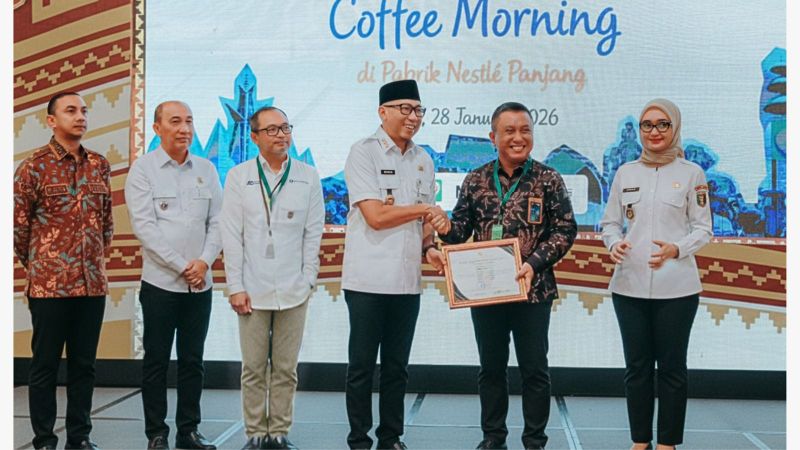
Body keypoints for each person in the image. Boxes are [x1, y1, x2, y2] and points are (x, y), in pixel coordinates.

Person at [428, 102, 577, 450]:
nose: (518, 137)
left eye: (525, 130)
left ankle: (534, 441)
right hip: (485, 292)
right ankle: (493, 438)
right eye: (509, 131)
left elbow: (565, 229)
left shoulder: (548, 179)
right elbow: (460, 231)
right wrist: (445, 228)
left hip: (533, 289)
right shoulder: (476, 179)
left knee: (535, 370)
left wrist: (534, 262)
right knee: (491, 369)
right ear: (493, 137)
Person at [600, 98, 713, 450]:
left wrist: (676, 248)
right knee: (636, 368)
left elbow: (703, 229)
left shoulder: (691, 174)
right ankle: (640, 441)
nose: (654, 132)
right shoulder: (626, 172)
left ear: (674, 127)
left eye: (663, 124)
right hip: (628, 286)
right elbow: (610, 223)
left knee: (672, 369)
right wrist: (613, 243)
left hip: (677, 287)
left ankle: (667, 443)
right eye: (647, 125)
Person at [341, 79, 445, 450]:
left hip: (406, 280)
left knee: (397, 367)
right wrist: (425, 209)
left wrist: (431, 248)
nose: (413, 117)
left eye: (418, 110)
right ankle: (359, 439)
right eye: (405, 109)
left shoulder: (423, 160)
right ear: (382, 112)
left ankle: (391, 437)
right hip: (367, 280)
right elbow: (375, 217)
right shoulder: (363, 152)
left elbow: (424, 227)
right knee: (361, 366)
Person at [220, 106, 324, 450]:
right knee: (253, 367)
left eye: (285, 128)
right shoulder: (239, 176)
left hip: (294, 289)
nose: (282, 135)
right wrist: (235, 286)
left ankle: (278, 432)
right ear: (254, 137)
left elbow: (313, 233)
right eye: (272, 130)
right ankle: (255, 433)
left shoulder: (308, 176)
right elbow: (231, 234)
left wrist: (309, 279)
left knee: (285, 367)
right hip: (252, 288)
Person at [14, 92, 113, 450]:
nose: (80, 116)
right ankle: (44, 439)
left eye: (84, 111)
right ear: (52, 121)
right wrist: (44, 265)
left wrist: (93, 261)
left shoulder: (99, 164)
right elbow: (18, 229)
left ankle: (80, 437)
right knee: (45, 366)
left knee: (84, 366)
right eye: (71, 111)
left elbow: (106, 224)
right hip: (50, 286)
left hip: (91, 285)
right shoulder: (34, 167)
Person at [125, 101, 223, 450]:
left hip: (200, 284)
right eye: (176, 121)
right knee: (156, 361)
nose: (184, 129)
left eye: (189, 121)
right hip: (161, 284)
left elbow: (218, 221)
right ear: (157, 128)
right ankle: (156, 433)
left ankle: (189, 430)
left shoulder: (206, 169)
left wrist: (204, 262)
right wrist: (183, 267)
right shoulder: (143, 170)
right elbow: (145, 228)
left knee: (193, 362)